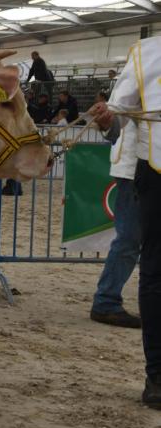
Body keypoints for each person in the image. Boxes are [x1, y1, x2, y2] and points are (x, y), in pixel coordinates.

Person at [92, 34, 161, 408]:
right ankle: (158, 375)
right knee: (140, 252)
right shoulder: (145, 55)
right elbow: (116, 122)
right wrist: (107, 120)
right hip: (147, 171)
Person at [88, 110, 141, 328]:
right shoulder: (138, 74)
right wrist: (107, 123)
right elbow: (115, 122)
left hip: (144, 169)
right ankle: (106, 301)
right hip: (135, 169)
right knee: (129, 239)